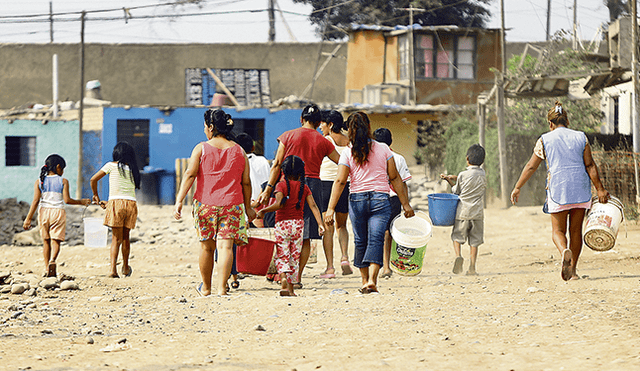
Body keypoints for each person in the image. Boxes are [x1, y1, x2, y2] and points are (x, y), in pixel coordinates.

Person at [510, 101, 609, 281]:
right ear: (567, 120)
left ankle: (564, 251)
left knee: (558, 231)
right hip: (580, 189)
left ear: (550, 124)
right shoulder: (581, 137)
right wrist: (600, 189)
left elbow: (531, 166)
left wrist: (518, 187)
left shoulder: (544, 140)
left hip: (558, 190)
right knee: (575, 231)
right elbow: (590, 165)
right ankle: (573, 271)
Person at [324, 112, 414, 294]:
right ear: (369, 127)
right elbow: (395, 178)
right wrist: (406, 205)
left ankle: (364, 280)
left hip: (357, 200)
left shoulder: (348, 152)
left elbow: (340, 181)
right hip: (381, 199)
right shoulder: (383, 149)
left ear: (350, 130)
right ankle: (372, 280)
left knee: (360, 240)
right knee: (376, 239)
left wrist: (330, 209)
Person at [173, 108, 256, 296]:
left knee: (206, 247)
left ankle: (206, 287)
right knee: (226, 247)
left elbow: (190, 174)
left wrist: (179, 200)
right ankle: (222, 288)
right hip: (232, 204)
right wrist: (248, 207)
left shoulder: (201, 148)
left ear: (211, 127)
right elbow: (246, 182)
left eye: (205, 127)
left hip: (205, 204)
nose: (204, 130)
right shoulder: (239, 151)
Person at [257, 103, 340, 288]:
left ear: (301, 119)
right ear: (319, 122)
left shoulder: (287, 136)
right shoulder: (323, 141)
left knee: (282, 230)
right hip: (311, 186)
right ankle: (297, 277)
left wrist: (268, 189)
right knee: (305, 236)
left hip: (286, 185)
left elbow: (277, 163)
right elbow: (341, 162)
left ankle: (281, 273)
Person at [257, 155, 325, 296]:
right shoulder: (304, 187)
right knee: (294, 256)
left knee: (282, 255)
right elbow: (313, 206)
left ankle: (283, 279)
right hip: (298, 225)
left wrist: (263, 210)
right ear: (301, 172)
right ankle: (292, 288)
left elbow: (278, 204)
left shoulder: (280, 186)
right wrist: (320, 224)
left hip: (282, 225)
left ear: (283, 171)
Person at [23, 154, 91, 277]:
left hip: (43, 212)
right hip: (58, 212)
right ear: (58, 167)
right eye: (62, 168)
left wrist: (28, 219)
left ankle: (45, 268)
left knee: (46, 241)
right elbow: (67, 200)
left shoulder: (39, 182)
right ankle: (53, 260)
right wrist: (81, 201)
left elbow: (35, 201)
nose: (63, 171)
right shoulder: (63, 181)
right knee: (56, 240)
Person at [90, 142, 141, 279]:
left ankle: (113, 270)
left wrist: (96, 195)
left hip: (115, 204)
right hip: (130, 204)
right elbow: (126, 192)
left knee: (115, 239)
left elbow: (93, 179)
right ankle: (125, 266)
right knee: (126, 238)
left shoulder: (110, 166)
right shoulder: (133, 169)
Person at [440, 144, 487, 276]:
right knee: (475, 241)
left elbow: (456, 191)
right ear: (482, 161)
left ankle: (458, 256)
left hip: (463, 212)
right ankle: (472, 268)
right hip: (477, 213)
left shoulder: (462, 174)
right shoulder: (483, 174)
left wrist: (450, 181)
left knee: (457, 237)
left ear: (467, 159)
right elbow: (471, 180)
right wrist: (455, 177)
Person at [373, 128, 412, 279]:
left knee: (380, 232)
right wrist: (406, 204)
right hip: (394, 198)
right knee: (391, 232)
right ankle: (388, 264)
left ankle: (381, 265)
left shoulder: (371, 158)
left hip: (377, 197)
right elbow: (403, 184)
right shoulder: (399, 158)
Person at [318, 110, 352, 278]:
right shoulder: (349, 142)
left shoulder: (325, 141)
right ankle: (345, 257)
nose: (320, 126)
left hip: (326, 185)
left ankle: (330, 267)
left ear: (330, 124)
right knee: (342, 225)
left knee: (327, 228)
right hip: (345, 185)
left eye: (322, 123)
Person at [236, 133, 271, 204]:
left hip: (243, 206)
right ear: (253, 148)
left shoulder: (235, 163)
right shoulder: (263, 161)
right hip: (262, 205)